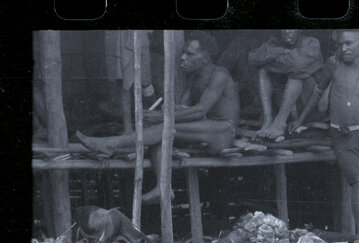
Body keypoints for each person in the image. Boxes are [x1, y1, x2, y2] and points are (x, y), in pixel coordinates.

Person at [77, 32, 240, 204]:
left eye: (190, 54)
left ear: (206, 58)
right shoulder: (194, 78)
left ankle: (110, 144)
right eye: (183, 52)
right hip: (205, 130)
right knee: (158, 137)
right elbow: (182, 108)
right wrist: (161, 113)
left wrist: (163, 116)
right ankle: (163, 188)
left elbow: (199, 111)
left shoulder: (219, 75)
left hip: (223, 131)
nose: (183, 58)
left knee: (163, 128)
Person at [294, 29, 359, 243]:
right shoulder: (333, 65)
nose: (344, 48)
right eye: (341, 44)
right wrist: (300, 120)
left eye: (350, 43)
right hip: (341, 135)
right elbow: (318, 90)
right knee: (358, 180)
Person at [248, 29, 324, 140]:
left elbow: (296, 66)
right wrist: (282, 51)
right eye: (284, 28)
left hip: (309, 108)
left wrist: (270, 62)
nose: (288, 32)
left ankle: (279, 124)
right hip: (287, 104)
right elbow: (252, 58)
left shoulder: (312, 43)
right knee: (263, 72)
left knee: (297, 76)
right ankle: (268, 120)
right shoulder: (274, 43)